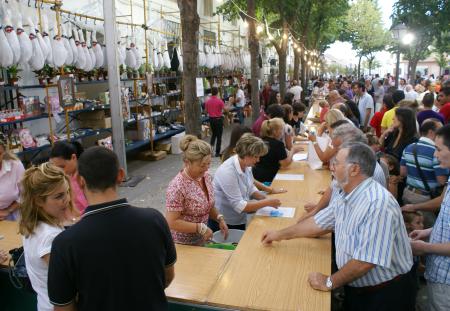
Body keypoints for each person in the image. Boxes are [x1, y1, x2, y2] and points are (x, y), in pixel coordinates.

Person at [262, 142, 415, 311]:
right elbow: (316, 224)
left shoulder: (377, 204)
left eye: (336, 163)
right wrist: (278, 235)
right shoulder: (346, 194)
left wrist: (329, 282)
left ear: (354, 169)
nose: (331, 166)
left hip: (385, 295)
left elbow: (365, 262)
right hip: (359, 287)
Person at [48, 147, 176, 310]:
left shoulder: (64, 243)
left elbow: (63, 307)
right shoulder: (154, 220)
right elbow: (167, 277)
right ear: (120, 175)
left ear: (80, 181)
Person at [20, 163, 74, 311]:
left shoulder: (32, 225)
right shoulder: (51, 237)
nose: (67, 199)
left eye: (67, 192)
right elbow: (70, 281)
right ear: (38, 201)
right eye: (59, 196)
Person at [410, 124, 450, 311]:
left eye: (439, 149)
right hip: (439, 276)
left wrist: (426, 247)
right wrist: (427, 232)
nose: (435, 155)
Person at [165, 135, 228, 245]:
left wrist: (219, 218)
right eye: (202, 165)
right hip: (182, 245)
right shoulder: (177, 187)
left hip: (201, 240)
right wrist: (200, 228)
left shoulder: (206, 177)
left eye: (209, 163)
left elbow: (208, 206)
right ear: (187, 163)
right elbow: (172, 222)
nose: (207, 168)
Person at [214, 134, 281, 230]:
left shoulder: (246, 164)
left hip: (239, 217)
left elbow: (250, 187)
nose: (258, 160)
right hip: (225, 221)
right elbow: (239, 206)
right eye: (256, 156)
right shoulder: (228, 172)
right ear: (246, 155)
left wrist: (264, 197)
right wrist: (266, 202)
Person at [400, 119, 447, 228]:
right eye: (440, 131)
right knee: (425, 231)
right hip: (426, 199)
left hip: (408, 193)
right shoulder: (436, 151)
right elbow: (442, 181)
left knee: (411, 229)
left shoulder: (408, 147)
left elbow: (403, 172)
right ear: (431, 132)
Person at [252, 118, 303, 183]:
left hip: (256, 176)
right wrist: (292, 151)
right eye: (281, 129)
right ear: (275, 131)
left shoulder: (259, 140)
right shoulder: (278, 144)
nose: (282, 132)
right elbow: (285, 163)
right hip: (269, 177)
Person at [50, 141, 88, 214]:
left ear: (73, 157)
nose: (60, 171)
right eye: (56, 168)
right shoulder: (67, 176)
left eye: (62, 167)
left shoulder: (86, 175)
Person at [0, 135, 25, 220]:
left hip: (13, 214)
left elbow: (26, 194)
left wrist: (8, 210)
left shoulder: (15, 166)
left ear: (4, 152)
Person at [204, 87, 225, 157]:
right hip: (218, 119)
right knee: (219, 137)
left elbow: (205, 111)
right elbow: (225, 110)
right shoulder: (219, 101)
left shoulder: (207, 101)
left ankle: (210, 151)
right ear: (217, 92)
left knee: (213, 135)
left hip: (211, 120)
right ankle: (217, 152)